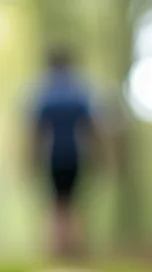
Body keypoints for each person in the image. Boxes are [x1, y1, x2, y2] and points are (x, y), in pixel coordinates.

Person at [30, 46, 99, 259]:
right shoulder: (79, 91)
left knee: (57, 202)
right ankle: (75, 249)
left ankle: (58, 250)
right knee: (74, 201)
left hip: (53, 156)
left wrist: (31, 157)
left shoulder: (45, 93)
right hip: (75, 155)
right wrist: (97, 155)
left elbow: (36, 129)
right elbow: (91, 127)